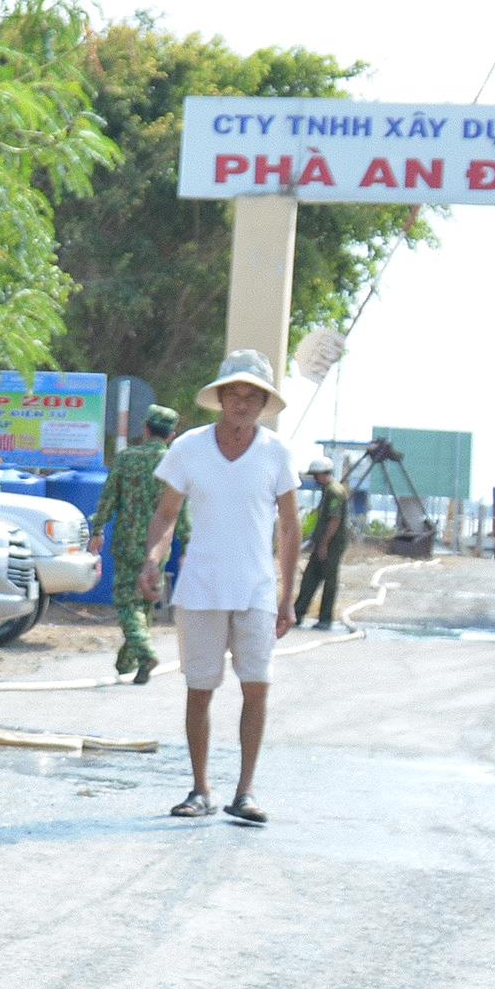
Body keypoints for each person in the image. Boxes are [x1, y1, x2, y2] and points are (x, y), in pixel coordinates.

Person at [140, 350, 301, 826]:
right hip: (201, 587)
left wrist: (288, 595)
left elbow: (290, 527)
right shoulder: (189, 447)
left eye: (253, 396)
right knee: (200, 689)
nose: (243, 404)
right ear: (221, 398)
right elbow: (167, 514)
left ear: (264, 403)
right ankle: (200, 789)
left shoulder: (276, 453)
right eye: (235, 394)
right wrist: (153, 559)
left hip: (256, 589)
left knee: (256, 687)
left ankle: (245, 791)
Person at [95, 404, 180, 682]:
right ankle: (127, 663)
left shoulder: (126, 458)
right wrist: (188, 541)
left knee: (126, 602)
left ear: (145, 429)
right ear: (171, 435)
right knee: (144, 602)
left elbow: (109, 497)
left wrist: (97, 528)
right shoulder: (174, 462)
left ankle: (143, 653)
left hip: (127, 541)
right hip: (159, 545)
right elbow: (182, 509)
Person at [292, 454, 352, 630]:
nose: (315, 479)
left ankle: (325, 619)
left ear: (323, 473)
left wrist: (324, 544)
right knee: (310, 578)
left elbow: (334, 521)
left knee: (329, 582)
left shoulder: (335, 492)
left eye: (316, 475)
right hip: (322, 543)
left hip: (332, 545)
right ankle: (297, 615)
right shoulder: (328, 490)